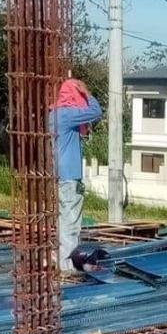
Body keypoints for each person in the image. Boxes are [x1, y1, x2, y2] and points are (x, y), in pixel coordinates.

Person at [50, 78, 102, 275]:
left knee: (64, 218)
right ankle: (66, 265)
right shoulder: (66, 115)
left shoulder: (53, 115)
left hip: (60, 174)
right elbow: (96, 111)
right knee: (70, 220)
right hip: (69, 174)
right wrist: (87, 93)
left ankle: (62, 257)